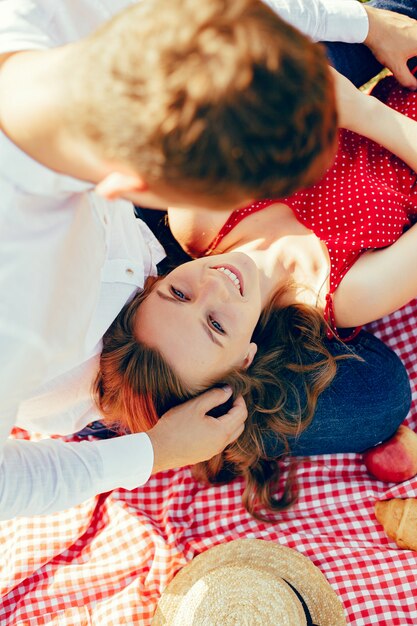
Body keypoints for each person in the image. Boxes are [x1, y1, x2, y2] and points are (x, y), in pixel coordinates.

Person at [0, 0, 414, 520]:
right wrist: (155, 452)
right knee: (379, 396)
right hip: (148, 371)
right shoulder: (28, 320)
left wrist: (367, 23)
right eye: (254, 185)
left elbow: (222, 21)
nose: (218, 282)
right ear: (136, 188)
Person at [95, 72, 417, 518]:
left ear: (153, 278)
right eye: (217, 323)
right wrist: (363, 114)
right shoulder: (344, 294)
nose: (214, 285)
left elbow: (244, 91)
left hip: (369, 76)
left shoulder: (196, 223)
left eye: (179, 293)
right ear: (246, 357)